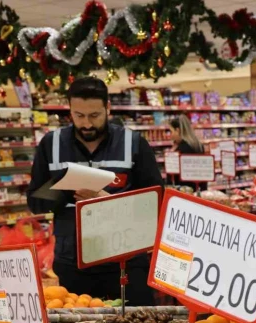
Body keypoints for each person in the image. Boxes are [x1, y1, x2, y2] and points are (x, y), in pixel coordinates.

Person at [27, 77, 164, 305]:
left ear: (107, 108)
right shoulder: (51, 144)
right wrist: (65, 191)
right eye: (79, 116)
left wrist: (107, 201)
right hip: (73, 262)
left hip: (126, 261)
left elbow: (156, 202)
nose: (87, 124)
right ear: (69, 109)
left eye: (94, 116)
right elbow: (35, 202)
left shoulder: (134, 143)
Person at [169, 115, 206, 190]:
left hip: (185, 192)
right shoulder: (198, 145)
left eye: (171, 131)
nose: (170, 135)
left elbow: (174, 177)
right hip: (199, 190)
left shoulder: (181, 149)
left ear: (178, 130)